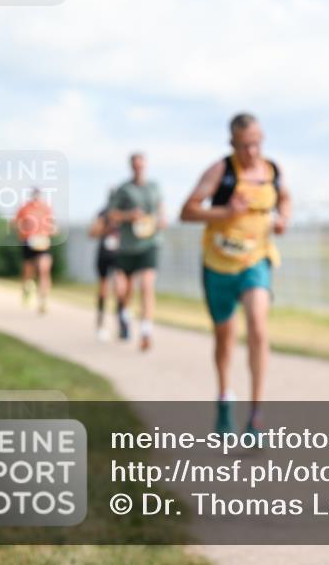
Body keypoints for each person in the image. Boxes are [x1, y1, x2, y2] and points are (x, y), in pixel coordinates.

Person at [180, 113, 291, 436]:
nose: (252, 151)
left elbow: (285, 199)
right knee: (225, 339)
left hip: (256, 260)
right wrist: (225, 212)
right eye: (244, 146)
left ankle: (256, 414)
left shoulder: (273, 171)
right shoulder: (220, 171)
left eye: (256, 143)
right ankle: (225, 399)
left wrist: (283, 217)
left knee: (258, 325)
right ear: (232, 144)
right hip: (218, 266)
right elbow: (187, 211)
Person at [108, 153, 166, 351]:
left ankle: (146, 331)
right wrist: (128, 216)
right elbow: (112, 215)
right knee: (124, 291)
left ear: (146, 165)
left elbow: (161, 210)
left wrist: (161, 220)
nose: (138, 168)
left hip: (150, 243)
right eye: (135, 165)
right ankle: (124, 314)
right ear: (131, 167)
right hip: (127, 246)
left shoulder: (154, 187)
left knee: (147, 285)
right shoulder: (124, 189)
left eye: (141, 165)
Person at [14, 188, 57, 314]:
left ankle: (43, 300)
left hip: (43, 243)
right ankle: (27, 290)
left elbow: (53, 225)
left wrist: (50, 230)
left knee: (44, 270)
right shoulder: (25, 208)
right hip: (29, 242)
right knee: (28, 272)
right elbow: (16, 223)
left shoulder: (46, 208)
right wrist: (24, 230)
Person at [88, 189, 123, 341]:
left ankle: (122, 322)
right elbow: (92, 233)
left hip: (120, 255)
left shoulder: (125, 213)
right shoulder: (103, 213)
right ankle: (101, 324)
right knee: (104, 289)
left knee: (121, 289)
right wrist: (106, 229)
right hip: (105, 254)